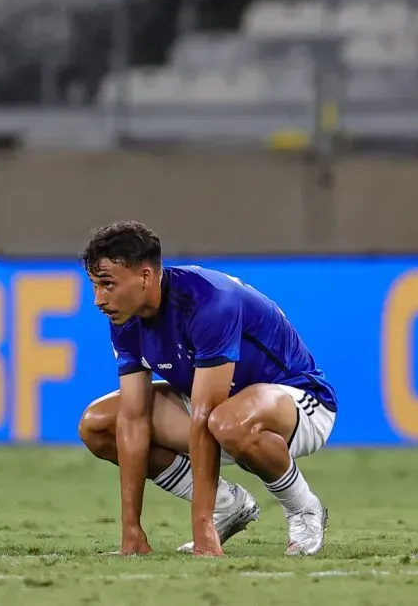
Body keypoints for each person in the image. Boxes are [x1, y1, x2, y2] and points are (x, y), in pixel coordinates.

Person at [76, 221, 338, 557]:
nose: (98, 299)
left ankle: (303, 508)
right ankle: (227, 505)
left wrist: (202, 528)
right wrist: (132, 532)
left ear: (145, 276)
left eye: (107, 284)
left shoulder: (209, 301)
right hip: (219, 414)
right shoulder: (125, 318)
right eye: (95, 286)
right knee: (100, 425)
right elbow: (133, 418)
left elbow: (205, 414)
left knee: (225, 421)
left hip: (298, 403)